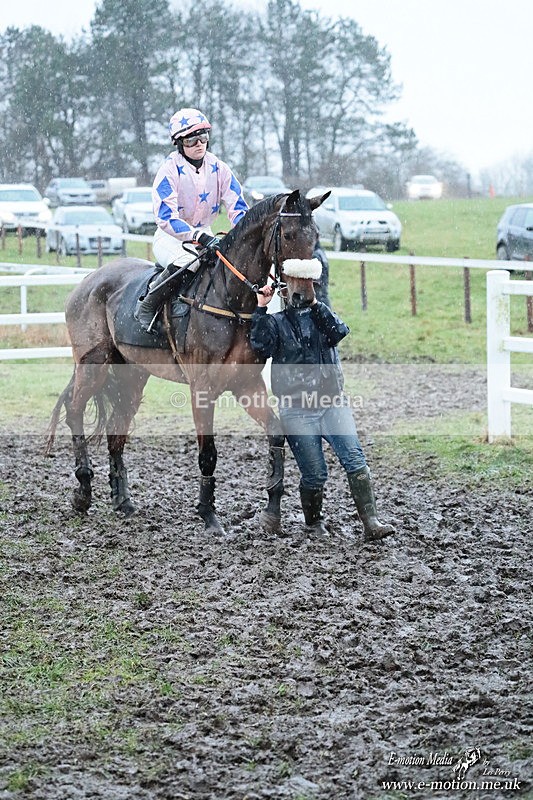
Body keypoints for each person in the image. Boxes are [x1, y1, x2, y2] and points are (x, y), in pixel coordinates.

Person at [250, 257, 396, 541]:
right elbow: (260, 347)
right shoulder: (275, 323)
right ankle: (314, 523)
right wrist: (260, 308)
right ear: (285, 287)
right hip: (296, 408)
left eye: (306, 284)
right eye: (296, 283)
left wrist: (316, 304)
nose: (300, 289)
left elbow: (339, 331)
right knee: (315, 473)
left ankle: (371, 523)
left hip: (332, 402)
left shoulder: (322, 315)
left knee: (355, 458)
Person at [135, 107, 249, 331]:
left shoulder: (220, 168)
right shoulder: (168, 170)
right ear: (179, 144)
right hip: (171, 236)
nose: (199, 144)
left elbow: (238, 207)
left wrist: (244, 234)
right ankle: (147, 306)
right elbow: (166, 217)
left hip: (205, 233)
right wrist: (198, 236)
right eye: (191, 140)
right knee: (189, 261)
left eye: (203, 137)